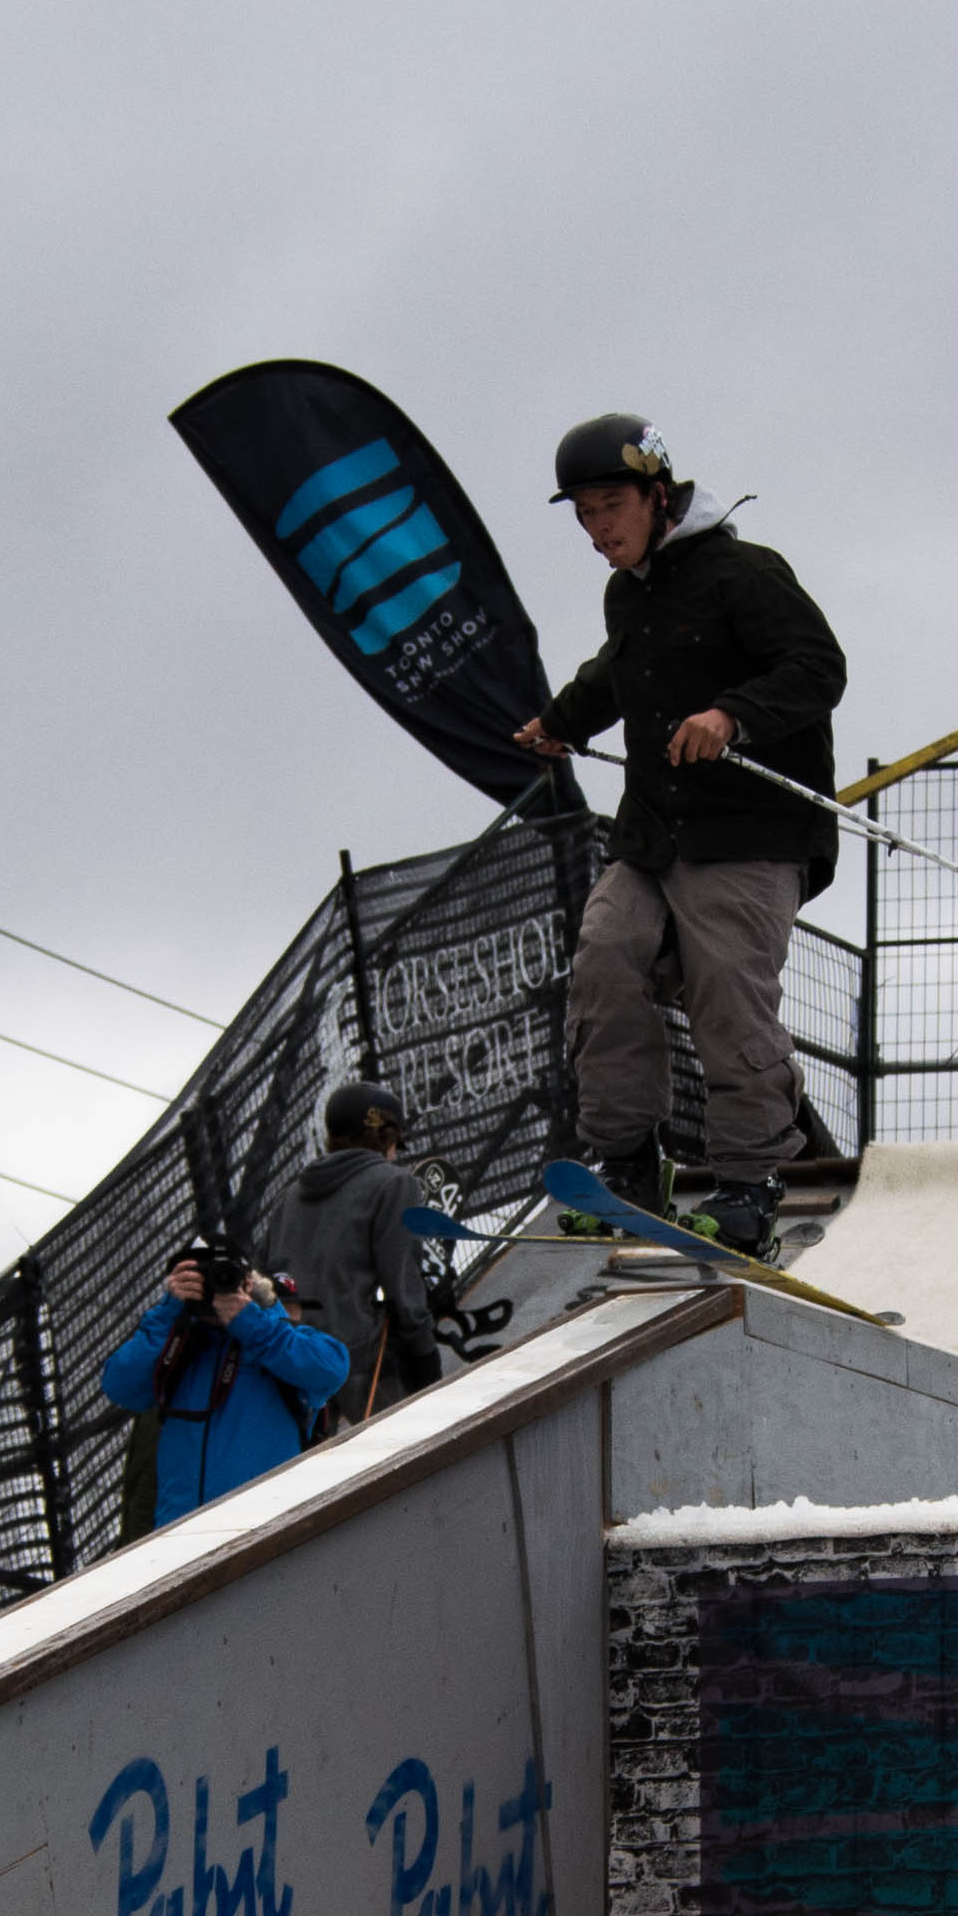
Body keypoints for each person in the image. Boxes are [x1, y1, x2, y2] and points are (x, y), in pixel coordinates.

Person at [513, 413, 845, 1258]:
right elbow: (617, 668)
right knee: (604, 954)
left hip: (748, 831)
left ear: (659, 495)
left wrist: (730, 716)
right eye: (583, 513)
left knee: (724, 989)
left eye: (611, 506)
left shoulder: (743, 572)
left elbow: (818, 666)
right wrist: (561, 717)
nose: (598, 529)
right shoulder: (630, 592)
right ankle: (627, 1164)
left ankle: (748, 1181)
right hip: (656, 831)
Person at [101, 1244, 350, 1534]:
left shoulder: (274, 1340)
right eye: (200, 1280)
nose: (212, 1288)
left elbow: (332, 1369)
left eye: (222, 1277)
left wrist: (251, 1320)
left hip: (263, 1530)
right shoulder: (176, 1350)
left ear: (248, 1284)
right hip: (180, 1537)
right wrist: (168, 1311)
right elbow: (119, 1385)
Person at [257, 1079, 443, 1424]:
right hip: (360, 1361)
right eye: (394, 1143)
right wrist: (425, 1357)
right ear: (385, 1136)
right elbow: (402, 1283)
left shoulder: (290, 1197)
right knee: (404, 1461)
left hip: (292, 1361)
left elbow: (261, 1278)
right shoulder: (392, 1182)